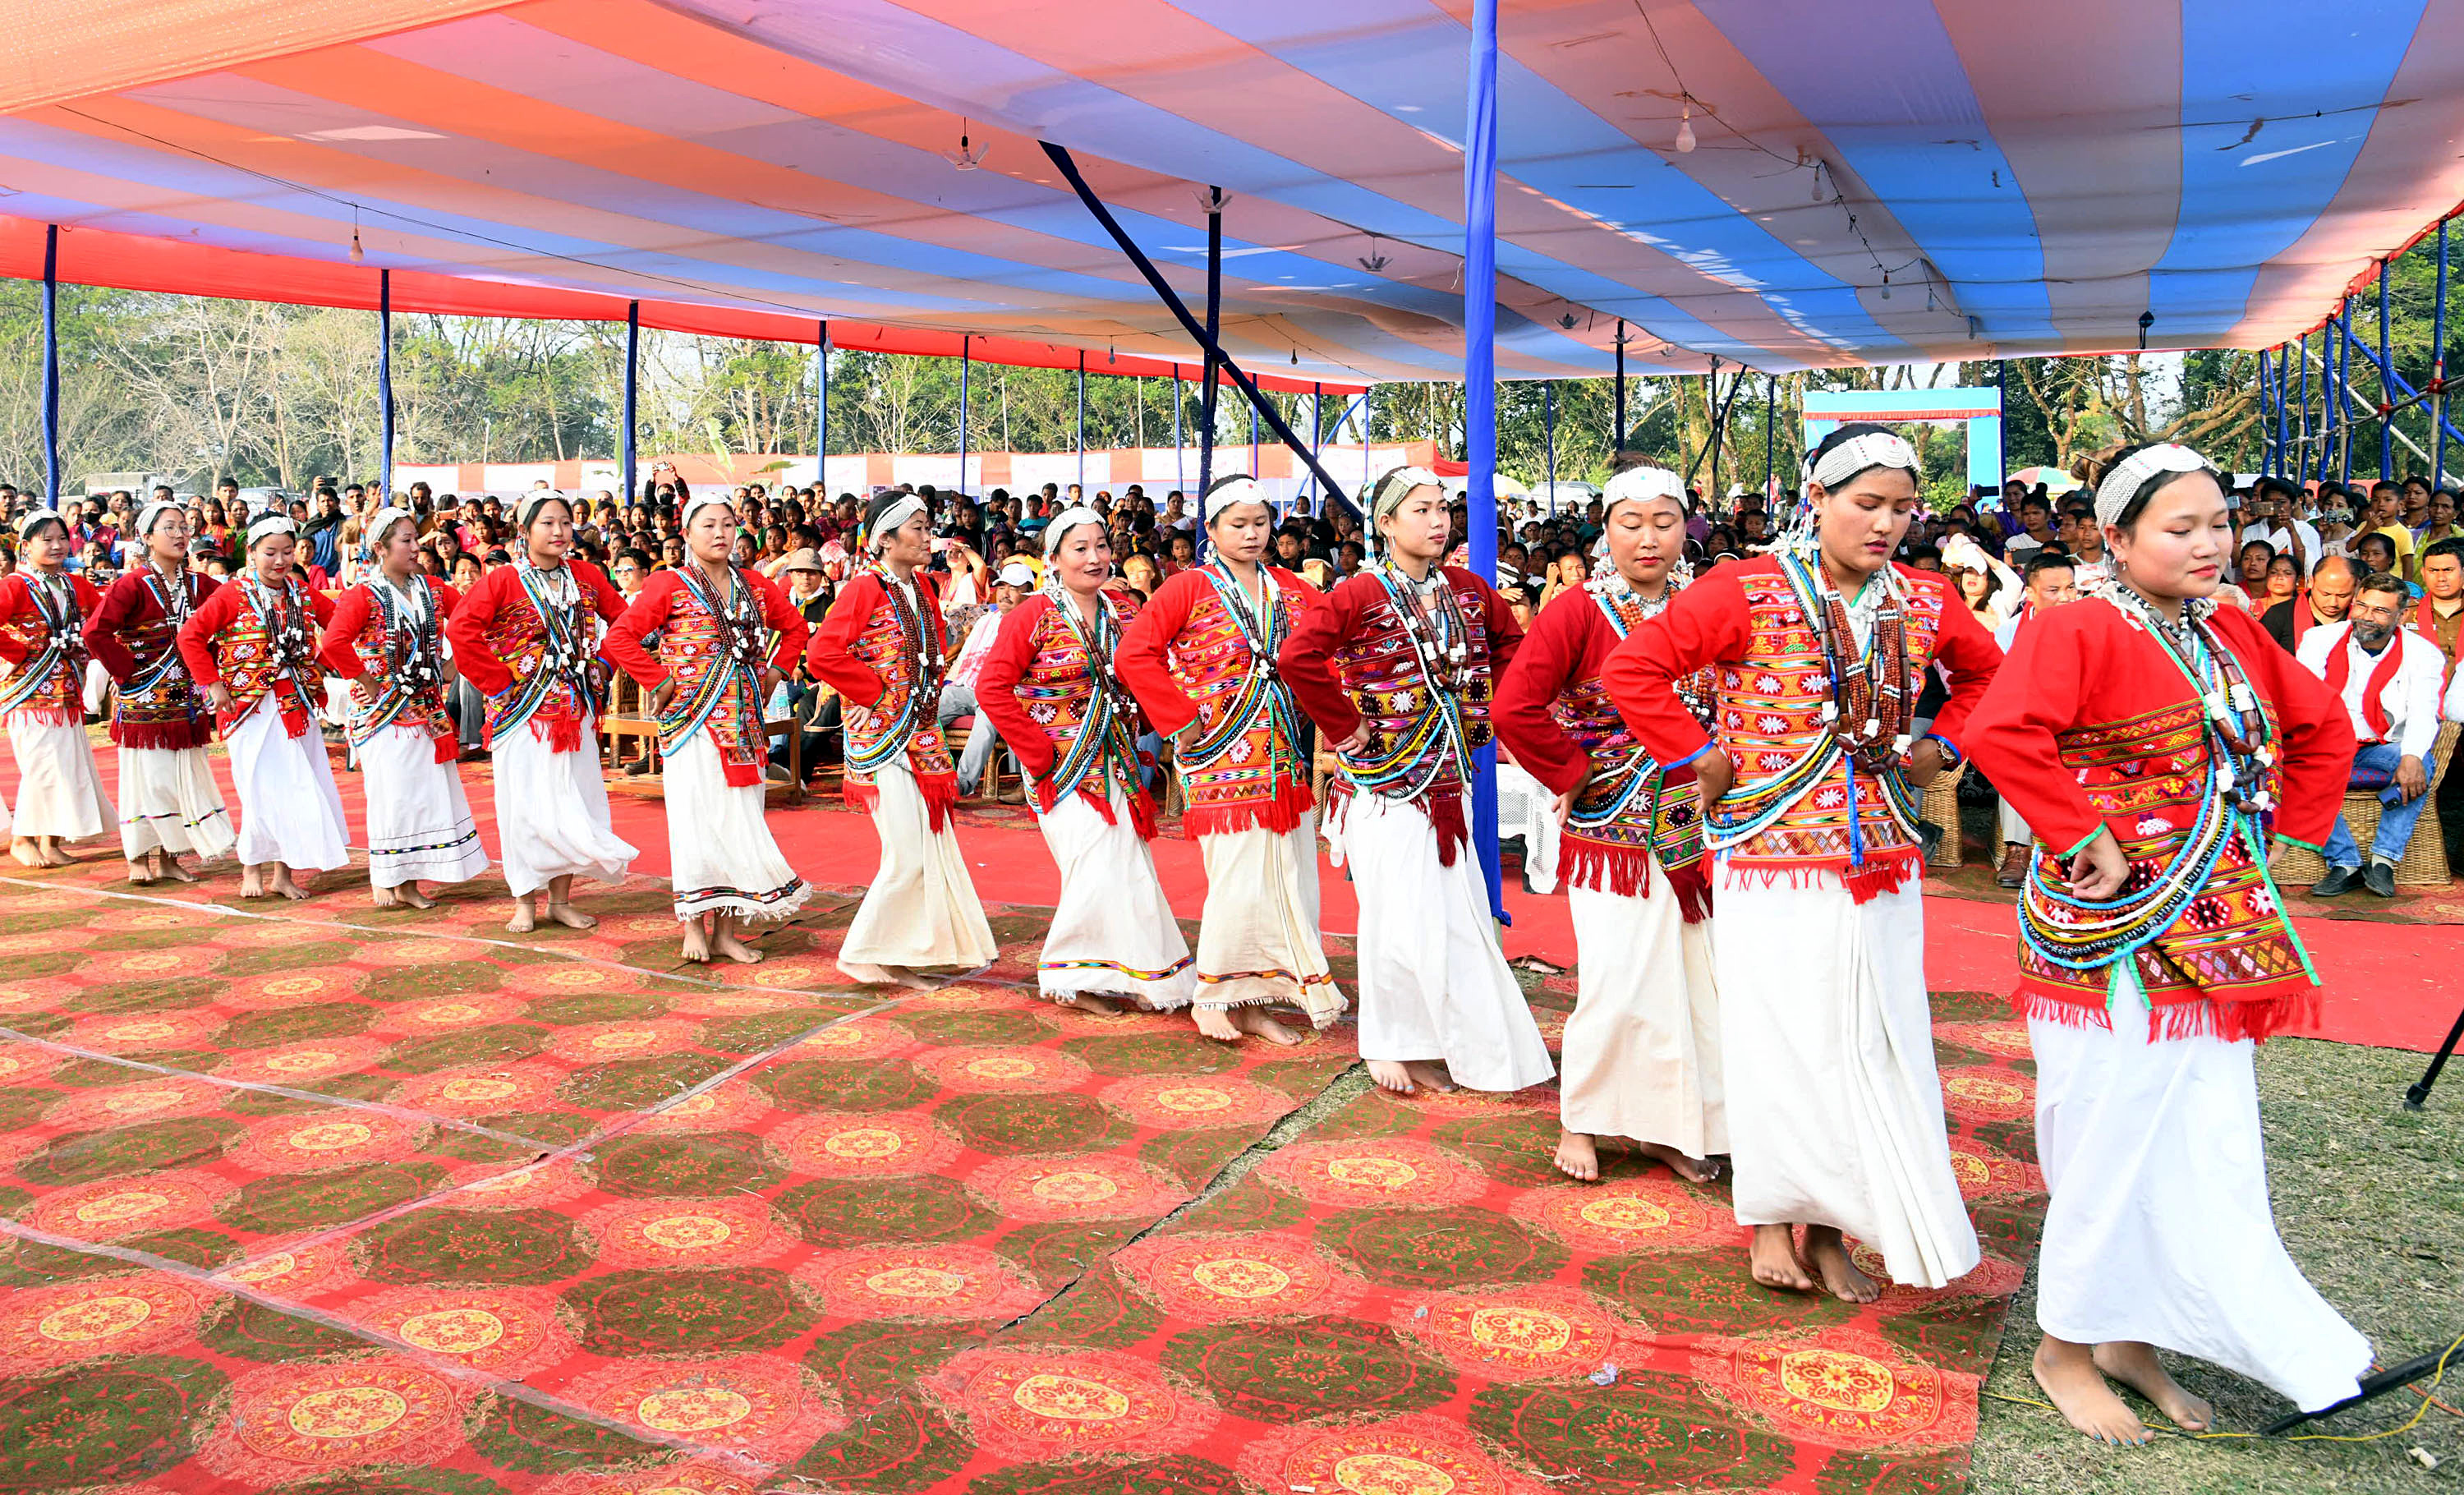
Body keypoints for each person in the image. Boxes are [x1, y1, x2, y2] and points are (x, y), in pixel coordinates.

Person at [1965, 441, 2367, 1443]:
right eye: (2180, 528)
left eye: (2220, 524)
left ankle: (2128, 1336)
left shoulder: (2229, 624)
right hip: (2109, 935)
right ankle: (2063, 1344)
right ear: (2116, 536)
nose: (2210, 544)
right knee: (2111, 1133)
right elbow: (2004, 731)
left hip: (2216, 924)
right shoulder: (2078, 625)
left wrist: (2287, 839)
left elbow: (2321, 724)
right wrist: (2080, 828)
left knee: (2202, 1138)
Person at [1604, 423, 1997, 1302]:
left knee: (1871, 1038)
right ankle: (1772, 1216)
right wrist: (1692, 756)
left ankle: (1832, 1223)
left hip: (1883, 855)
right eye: (1866, 504)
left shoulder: (1926, 598)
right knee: (1780, 1036)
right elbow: (1636, 669)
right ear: (1816, 500)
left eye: (1902, 507)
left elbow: (1987, 677)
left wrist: (1948, 743)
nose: (1887, 523)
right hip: (1772, 858)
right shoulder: (1743, 588)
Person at [1282, 466, 1551, 1096]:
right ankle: (1388, 1044)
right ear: (1386, 523)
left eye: (1443, 509)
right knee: (1393, 913)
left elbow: (1513, 646)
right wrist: (1346, 725)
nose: (1438, 522)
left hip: (1452, 774)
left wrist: (1505, 706)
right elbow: (1299, 658)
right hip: (1384, 779)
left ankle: (1437, 1038)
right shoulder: (1358, 593)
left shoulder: (1466, 587)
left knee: (1452, 915)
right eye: (1422, 510)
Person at [1494, 464, 1720, 1183]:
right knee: (1619, 978)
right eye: (1631, 522)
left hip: (1709, 823)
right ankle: (1584, 1116)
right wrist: (1573, 769)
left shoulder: (1711, 602)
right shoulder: (1577, 612)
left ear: (1687, 527)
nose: (1649, 538)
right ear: (1605, 530)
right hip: (1613, 828)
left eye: (1664, 522)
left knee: (1699, 980)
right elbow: (1514, 707)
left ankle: (1674, 1125)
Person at [1118, 475, 1343, 1043]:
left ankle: (1257, 997)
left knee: (1291, 875)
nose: (1251, 534)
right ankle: (1215, 994)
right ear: (1211, 531)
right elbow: (1135, 654)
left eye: (1260, 523)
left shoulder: (1292, 587)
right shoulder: (1186, 588)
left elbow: (1332, 645)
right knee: (1240, 878)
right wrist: (1177, 717)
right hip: (1220, 755)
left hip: (1284, 755)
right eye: (1237, 524)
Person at [974, 508, 1196, 1014]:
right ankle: (1075, 976)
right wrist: (1036, 751)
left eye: (1101, 546)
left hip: (1115, 760)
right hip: (1062, 768)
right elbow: (992, 687)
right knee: (1094, 868)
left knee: (1128, 868)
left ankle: (1136, 972)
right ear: (1052, 559)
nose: (1095, 558)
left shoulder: (1118, 611)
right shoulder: (1031, 614)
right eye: (1080, 548)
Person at [605, 492, 811, 962]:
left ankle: (728, 930)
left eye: (727, 524)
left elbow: (796, 628)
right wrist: (657, 679)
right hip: (692, 724)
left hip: (744, 726)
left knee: (740, 820)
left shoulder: (756, 584)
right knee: (695, 822)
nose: (720, 533)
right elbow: (621, 637)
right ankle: (693, 926)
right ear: (687, 533)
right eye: (708, 526)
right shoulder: (668, 585)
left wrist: (777, 669)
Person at [807, 491, 998, 987]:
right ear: (884, 539)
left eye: (927, 523)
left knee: (931, 845)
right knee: (907, 852)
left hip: (922, 734)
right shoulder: (864, 588)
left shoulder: (920, 588)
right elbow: (823, 653)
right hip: (881, 735)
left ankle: (907, 951)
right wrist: (877, 691)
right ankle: (864, 952)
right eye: (916, 526)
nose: (927, 533)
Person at [444, 493, 637, 932]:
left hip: (575, 711)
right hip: (522, 713)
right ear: (525, 531)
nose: (559, 532)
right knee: (525, 805)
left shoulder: (586, 575)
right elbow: (461, 630)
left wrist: (605, 664)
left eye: (566, 523)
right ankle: (523, 901)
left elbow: (626, 620)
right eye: (547, 523)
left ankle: (561, 900)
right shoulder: (503, 580)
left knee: (572, 801)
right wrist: (499, 681)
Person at [317, 506, 490, 908]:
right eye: (406, 541)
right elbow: (334, 643)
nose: (416, 548)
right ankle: (387, 876)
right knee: (392, 794)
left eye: (416, 539)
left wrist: (453, 664)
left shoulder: (431, 588)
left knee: (422, 795)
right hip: (383, 713)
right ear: (380, 548)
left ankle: (410, 880)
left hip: (426, 712)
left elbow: (469, 620)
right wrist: (367, 681)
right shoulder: (363, 594)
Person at [175, 516, 348, 898]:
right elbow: (190, 637)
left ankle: (283, 873)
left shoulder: (301, 592)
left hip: (296, 702)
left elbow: (341, 623)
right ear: (251, 553)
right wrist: (213, 685)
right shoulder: (231, 594)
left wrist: (322, 662)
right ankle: (250, 868)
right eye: (270, 553)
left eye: (287, 552)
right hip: (248, 706)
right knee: (257, 787)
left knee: (297, 785)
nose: (280, 561)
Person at [83, 499, 233, 883]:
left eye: (184, 527)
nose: (181, 534)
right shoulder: (131, 584)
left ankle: (171, 857)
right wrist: (128, 671)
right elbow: (95, 632)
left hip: (185, 699)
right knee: (145, 777)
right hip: (143, 697)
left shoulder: (201, 584)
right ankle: (137, 857)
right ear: (146, 537)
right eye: (170, 528)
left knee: (181, 774)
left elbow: (235, 609)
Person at [2297, 570, 2445, 897]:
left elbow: (2424, 711)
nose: (2366, 617)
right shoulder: (2319, 640)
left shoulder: (2422, 654)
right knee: (2294, 769)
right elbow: (2305, 699)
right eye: (2362, 606)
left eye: (2379, 611)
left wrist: (2411, 756)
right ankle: (2345, 863)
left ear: (2401, 615)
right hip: (2329, 744)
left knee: (2422, 763)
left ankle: (2383, 861)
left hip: (2380, 745)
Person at [0, 510, 115, 867]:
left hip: (67, 691)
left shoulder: (74, 584)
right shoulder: (16, 585)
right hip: (29, 692)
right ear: (27, 545)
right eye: (46, 539)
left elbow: (105, 615)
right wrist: (17, 650)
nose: (56, 546)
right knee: (42, 766)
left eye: (61, 539)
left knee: (67, 765)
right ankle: (23, 837)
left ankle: (51, 840)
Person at [1991, 552, 2080, 887]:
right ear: (2031, 593)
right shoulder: (2009, 633)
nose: (2065, 598)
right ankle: (2018, 850)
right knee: (2016, 755)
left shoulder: (2090, 624)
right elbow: (2000, 693)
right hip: (2028, 723)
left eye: (2071, 589)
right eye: (2054, 590)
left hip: (2081, 724)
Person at [2261, 552, 2356, 651]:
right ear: (2311, 582)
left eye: (2342, 596)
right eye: (2326, 594)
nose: (2333, 603)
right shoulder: (2279, 615)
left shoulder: (2362, 619)